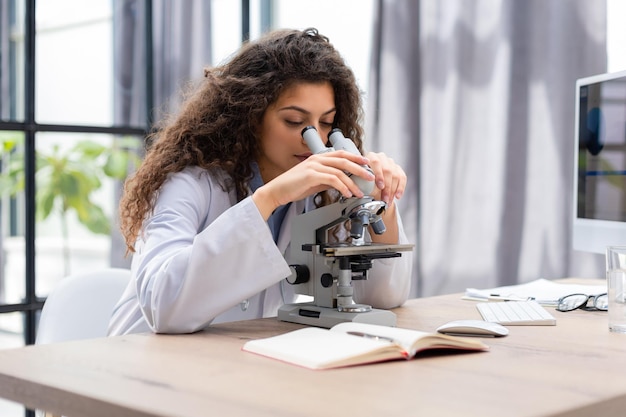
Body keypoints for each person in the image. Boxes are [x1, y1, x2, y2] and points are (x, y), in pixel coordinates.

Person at [107, 28, 413, 336]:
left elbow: (381, 298)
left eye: (327, 124)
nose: (315, 139)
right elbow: (164, 305)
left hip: (234, 362)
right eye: (295, 122)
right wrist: (270, 198)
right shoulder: (188, 185)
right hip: (144, 359)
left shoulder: (315, 197)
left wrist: (379, 199)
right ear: (250, 115)